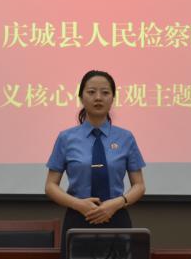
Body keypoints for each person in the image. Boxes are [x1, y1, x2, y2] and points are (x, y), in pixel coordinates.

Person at [45, 70, 146, 243]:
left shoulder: (125, 137)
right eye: (91, 92)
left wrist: (117, 203)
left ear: (113, 99)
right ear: (81, 97)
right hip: (78, 217)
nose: (98, 98)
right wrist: (79, 204)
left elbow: (139, 185)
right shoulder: (66, 138)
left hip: (116, 216)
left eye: (105, 92)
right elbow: (50, 186)